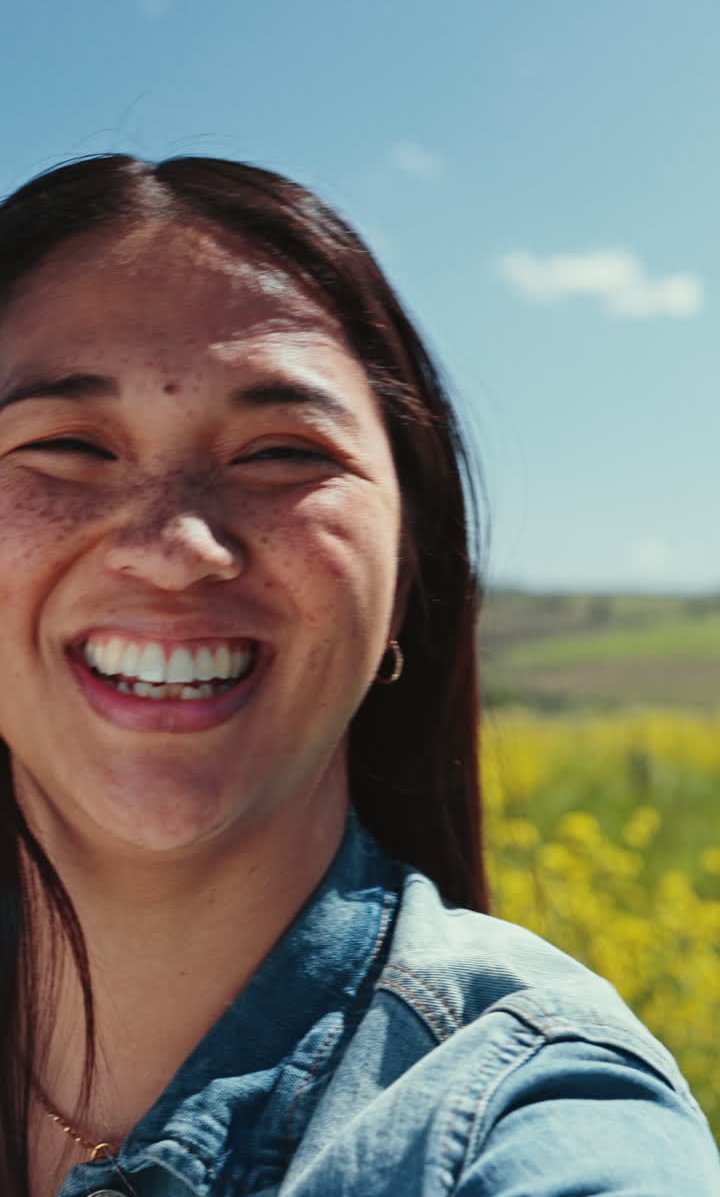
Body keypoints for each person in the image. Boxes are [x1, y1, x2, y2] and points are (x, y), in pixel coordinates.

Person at [0, 155, 716, 1197]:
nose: (175, 546)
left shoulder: (528, 1113)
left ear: (406, 566)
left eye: (282, 453)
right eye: (65, 443)